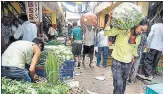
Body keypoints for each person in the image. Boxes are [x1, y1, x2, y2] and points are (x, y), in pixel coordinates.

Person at [104, 13, 149, 94]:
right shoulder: (122, 30)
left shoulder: (138, 37)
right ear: (137, 24)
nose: (141, 32)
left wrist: (133, 56)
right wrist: (109, 19)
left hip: (128, 64)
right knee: (118, 84)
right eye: (141, 29)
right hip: (117, 62)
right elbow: (107, 33)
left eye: (144, 32)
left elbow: (134, 49)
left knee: (123, 84)